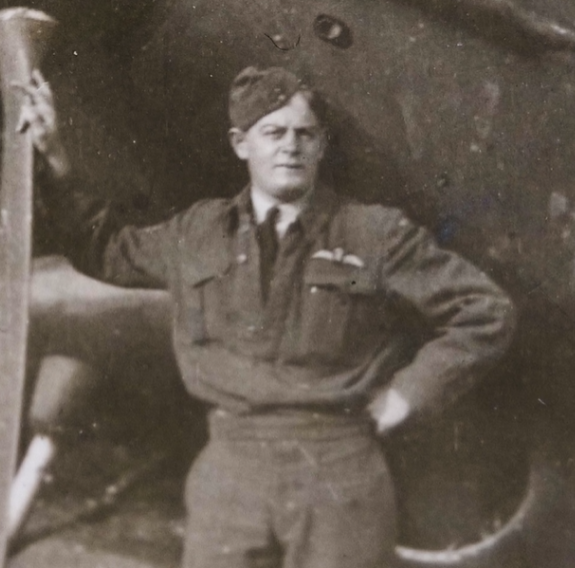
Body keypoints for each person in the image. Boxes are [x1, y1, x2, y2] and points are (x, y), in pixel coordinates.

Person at [18, 66, 516, 568]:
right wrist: (56, 159)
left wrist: (410, 395)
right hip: (231, 468)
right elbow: (104, 248)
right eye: (273, 133)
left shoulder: (375, 234)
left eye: (305, 135)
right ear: (241, 144)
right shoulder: (198, 231)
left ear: (322, 146)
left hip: (339, 471)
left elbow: (483, 310)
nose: (290, 147)